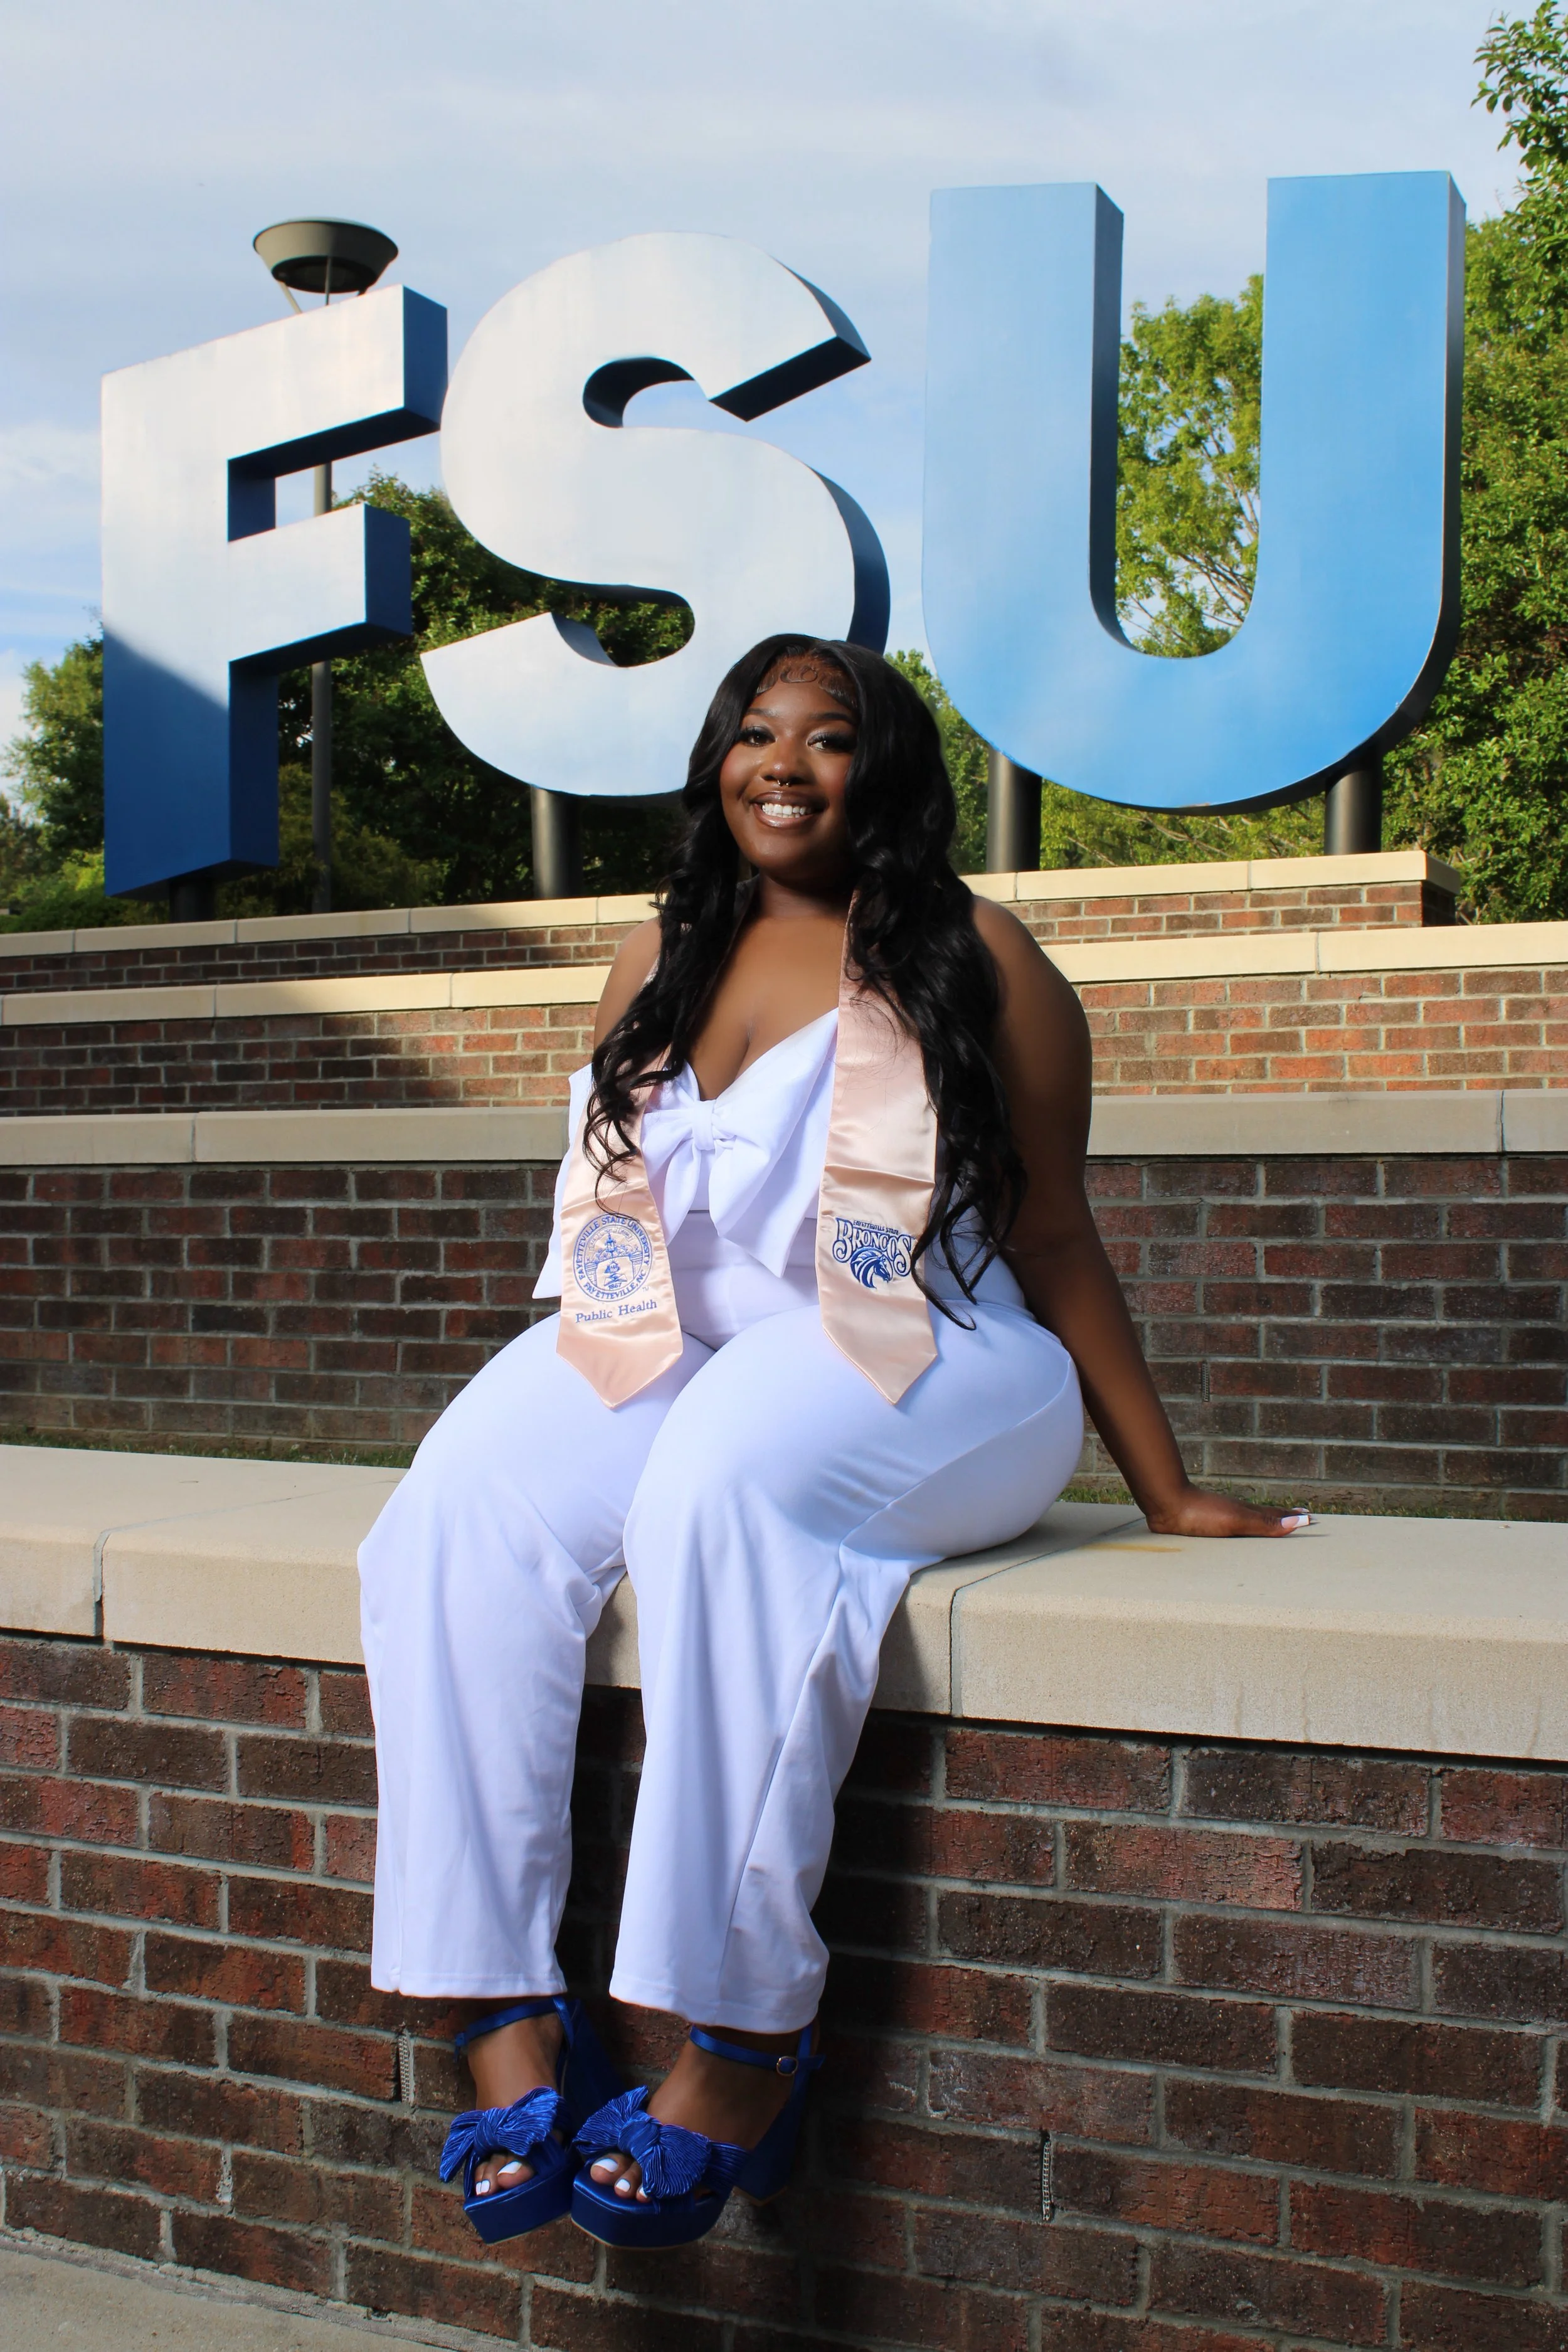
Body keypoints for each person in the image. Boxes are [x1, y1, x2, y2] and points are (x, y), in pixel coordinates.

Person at [358, 634, 1308, 2254]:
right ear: (715, 758)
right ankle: (509, 2017)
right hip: (688, 1343)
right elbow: (622, 1241)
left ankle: (741, 2043)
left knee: (723, 1483)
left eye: (826, 734)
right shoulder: (654, 955)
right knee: (453, 1503)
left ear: (886, 768)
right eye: (752, 727)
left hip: (940, 1355)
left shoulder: (976, 956)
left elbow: (1059, 1233)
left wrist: (1162, 1481)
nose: (781, 760)